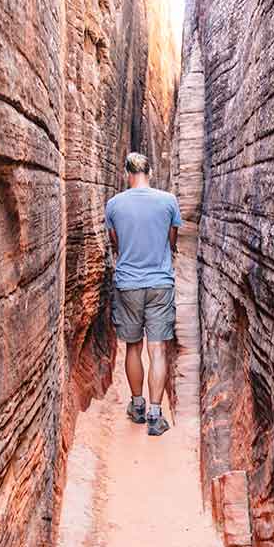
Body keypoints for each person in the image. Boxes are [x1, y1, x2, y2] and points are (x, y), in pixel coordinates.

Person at [104, 151, 182, 436]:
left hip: (128, 284)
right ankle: (155, 415)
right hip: (160, 283)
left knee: (133, 347)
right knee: (158, 349)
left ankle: (136, 406)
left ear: (127, 173)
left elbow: (117, 244)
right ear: (149, 172)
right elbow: (171, 241)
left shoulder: (113, 205)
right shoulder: (168, 201)